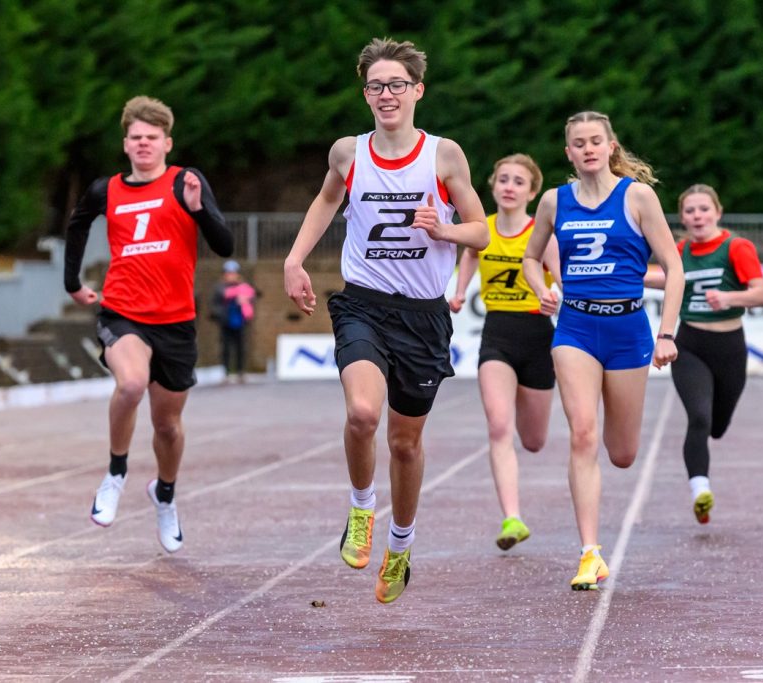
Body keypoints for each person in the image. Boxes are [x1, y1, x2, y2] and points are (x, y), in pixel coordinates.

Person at [283, 37, 489, 603]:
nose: (386, 94)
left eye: (397, 84)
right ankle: (360, 508)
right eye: (376, 86)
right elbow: (327, 201)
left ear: (418, 90)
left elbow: (481, 232)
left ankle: (401, 544)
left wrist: (444, 229)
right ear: (366, 95)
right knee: (362, 413)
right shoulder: (347, 153)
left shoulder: (444, 156)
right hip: (364, 305)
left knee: (404, 443)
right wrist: (295, 259)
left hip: (423, 317)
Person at [63, 95, 233, 553]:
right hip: (122, 310)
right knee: (131, 384)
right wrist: (72, 283)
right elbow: (77, 225)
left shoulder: (185, 182)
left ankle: (165, 493)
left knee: (168, 426)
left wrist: (199, 209)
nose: (143, 143)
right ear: (125, 144)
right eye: (135, 137)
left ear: (166, 143)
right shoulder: (106, 190)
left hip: (175, 320)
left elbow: (224, 245)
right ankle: (115, 473)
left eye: (151, 137)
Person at [521, 111, 683, 590]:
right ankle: (590, 552)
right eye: (579, 142)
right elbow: (531, 257)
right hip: (575, 328)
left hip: (628, 330)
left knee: (623, 453)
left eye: (596, 141)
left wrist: (667, 333)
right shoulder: (554, 201)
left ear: (611, 146)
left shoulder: (637, 197)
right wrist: (542, 288)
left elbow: (674, 268)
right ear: (568, 152)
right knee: (582, 434)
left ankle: (595, 541)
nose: (588, 148)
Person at [449, 153, 561, 551]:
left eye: (518, 182)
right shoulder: (483, 229)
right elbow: (470, 254)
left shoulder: (542, 235)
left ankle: (527, 422)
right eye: (503, 179)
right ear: (493, 186)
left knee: (533, 440)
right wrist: (460, 290)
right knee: (498, 427)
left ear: (531, 193)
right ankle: (512, 518)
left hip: (537, 336)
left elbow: (561, 282)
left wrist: (553, 297)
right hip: (497, 334)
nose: (509, 187)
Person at [644, 184, 763, 524]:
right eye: (690, 211)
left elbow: (762, 294)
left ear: (718, 212)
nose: (697, 216)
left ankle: (705, 467)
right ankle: (700, 490)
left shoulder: (736, 247)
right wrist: (631, 277)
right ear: (682, 218)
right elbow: (664, 279)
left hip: (729, 347)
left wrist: (729, 298)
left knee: (717, 426)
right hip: (690, 345)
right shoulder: (679, 250)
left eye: (703, 209)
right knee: (699, 417)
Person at [210, 259, 256, 384]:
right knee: (225, 348)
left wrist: (244, 303)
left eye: (233, 273)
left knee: (241, 348)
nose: (231, 276)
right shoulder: (219, 288)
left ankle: (241, 372)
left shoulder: (244, 288)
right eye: (228, 273)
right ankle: (226, 373)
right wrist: (223, 313)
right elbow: (214, 306)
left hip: (240, 322)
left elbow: (252, 300)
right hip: (226, 323)